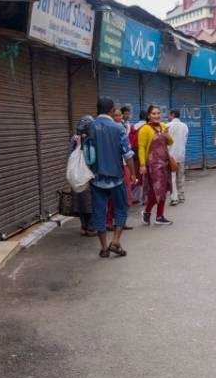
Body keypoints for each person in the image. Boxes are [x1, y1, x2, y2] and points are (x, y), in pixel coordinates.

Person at [86, 96, 134, 258]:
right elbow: (127, 154)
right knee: (121, 209)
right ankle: (116, 241)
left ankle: (104, 248)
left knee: (99, 212)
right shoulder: (118, 128)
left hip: (96, 178)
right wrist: (133, 173)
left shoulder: (89, 127)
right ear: (112, 110)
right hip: (116, 178)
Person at [135, 105, 175, 226]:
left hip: (164, 163)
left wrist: (167, 134)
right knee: (157, 190)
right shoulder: (144, 129)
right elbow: (141, 148)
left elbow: (170, 142)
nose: (157, 115)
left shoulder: (163, 126)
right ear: (149, 116)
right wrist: (142, 165)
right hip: (152, 165)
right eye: (154, 113)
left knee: (162, 189)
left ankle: (157, 215)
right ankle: (151, 213)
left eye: (158, 113)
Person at [71, 116, 97, 236]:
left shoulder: (74, 139)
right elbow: (92, 159)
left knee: (80, 201)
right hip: (89, 174)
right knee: (91, 201)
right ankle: (91, 227)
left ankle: (83, 226)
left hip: (77, 175)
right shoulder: (91, 139)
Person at [167, 109, 189, 205]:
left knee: (172, 177)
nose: (168, 116)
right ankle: (181, 196)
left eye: (169, 115)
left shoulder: (167, 126)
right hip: (181, 154)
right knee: (181, 176)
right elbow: (185, 140)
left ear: (172, 115)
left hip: (171, 155)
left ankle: (174, 198)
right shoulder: (185, 126)